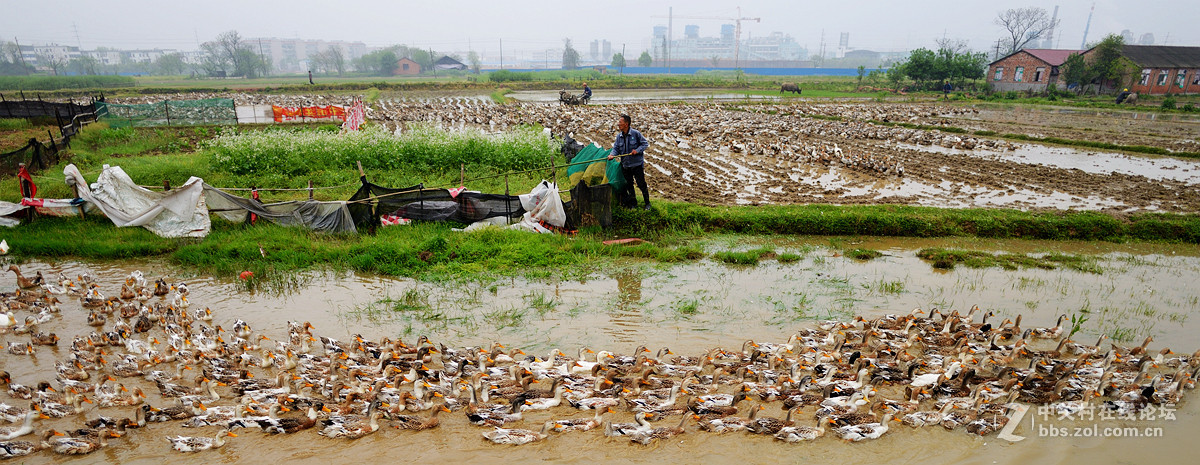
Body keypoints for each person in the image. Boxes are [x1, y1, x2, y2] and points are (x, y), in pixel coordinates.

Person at [608, 114, 651, 210]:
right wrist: (612, 155)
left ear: (626, 124)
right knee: (629, 185)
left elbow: (645, 144)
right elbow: (616, 148)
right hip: (626, 165)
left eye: (620, 122)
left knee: (641, 184)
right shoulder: (619, 136)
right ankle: (633, 204)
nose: (618, 124)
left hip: (636, 165)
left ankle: (647, 203)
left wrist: (637, 150)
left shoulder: (636, 134)